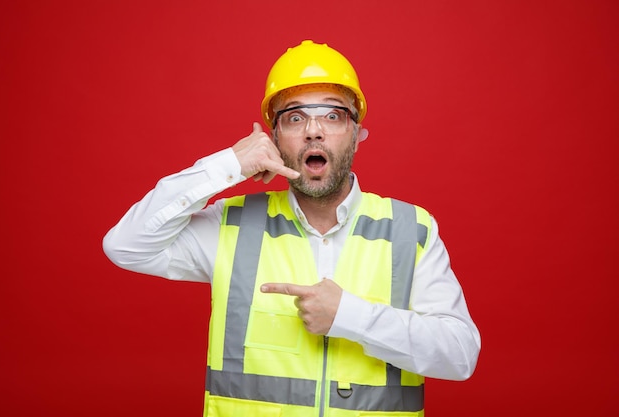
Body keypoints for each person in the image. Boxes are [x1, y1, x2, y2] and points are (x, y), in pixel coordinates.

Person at [103, 39, 481, 416]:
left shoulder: (411, 230)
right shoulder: (232, 226)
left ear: (356, 133)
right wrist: (229, 164)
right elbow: (126, 245)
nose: (313, 131)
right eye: (295, 117)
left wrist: (350, 317)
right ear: (274, 139)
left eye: (332, 116)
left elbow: (460, 356)